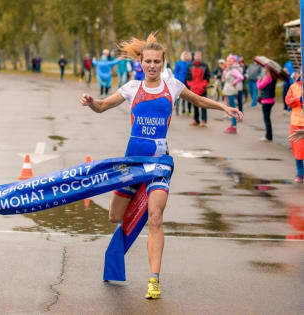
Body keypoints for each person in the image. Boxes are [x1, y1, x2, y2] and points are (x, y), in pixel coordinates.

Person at [80, 34, 242, 299]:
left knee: (155, 216)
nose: (152, 65)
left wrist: (224, 106)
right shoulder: (131, 88)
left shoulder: (173, 85)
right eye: (148, 61)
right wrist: (91, 104)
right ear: (141, 63)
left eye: (157, 61)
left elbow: (199, 100)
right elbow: (102, 106)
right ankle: (135, 204)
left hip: (159, 164)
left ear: (163, 62)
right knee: (114, 216)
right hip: (132, 164)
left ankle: (154, 279)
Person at [285, 73, 304, 183]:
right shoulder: (293, 87)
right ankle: (300, 173)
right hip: (297, 122)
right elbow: (288, 101)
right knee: (298, 150)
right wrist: (299, 99)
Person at [186, 51, 211, 127]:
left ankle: (204, 121)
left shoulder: (205, 65)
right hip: (193, 88)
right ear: (194, 57)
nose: (198, 57)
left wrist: (203, 85)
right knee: (195, 104)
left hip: (202, 88)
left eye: (199, 56)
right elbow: (188, 77)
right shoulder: (190, 66)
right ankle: (196, 120)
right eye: (196, 56)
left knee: (204, 104)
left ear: (201, 57)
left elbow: (207, 77)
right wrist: (191, 86)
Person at [222, 55, 244, 134]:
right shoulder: (228, 69)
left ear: (233, 62)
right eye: (227, 61)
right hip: (228, 90)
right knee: (230, 108)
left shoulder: (234, 70)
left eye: (230, 61)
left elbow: (241, 77)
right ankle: (232, 125)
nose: (228, 62)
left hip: (231, 91)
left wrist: (233, 83)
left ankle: (233, 126)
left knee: (232, 108)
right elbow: (225, 79)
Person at [257, 66, 277, 141]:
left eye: (265, 68)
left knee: (266, 119)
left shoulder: (268, 77)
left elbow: (260, 86)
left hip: (266, 101)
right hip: (271, 100)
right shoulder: (274, 77)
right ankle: (269, 135)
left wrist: (258, 80)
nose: (264, 69)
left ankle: (268, 136)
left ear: (268, 70)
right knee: (267, 118)